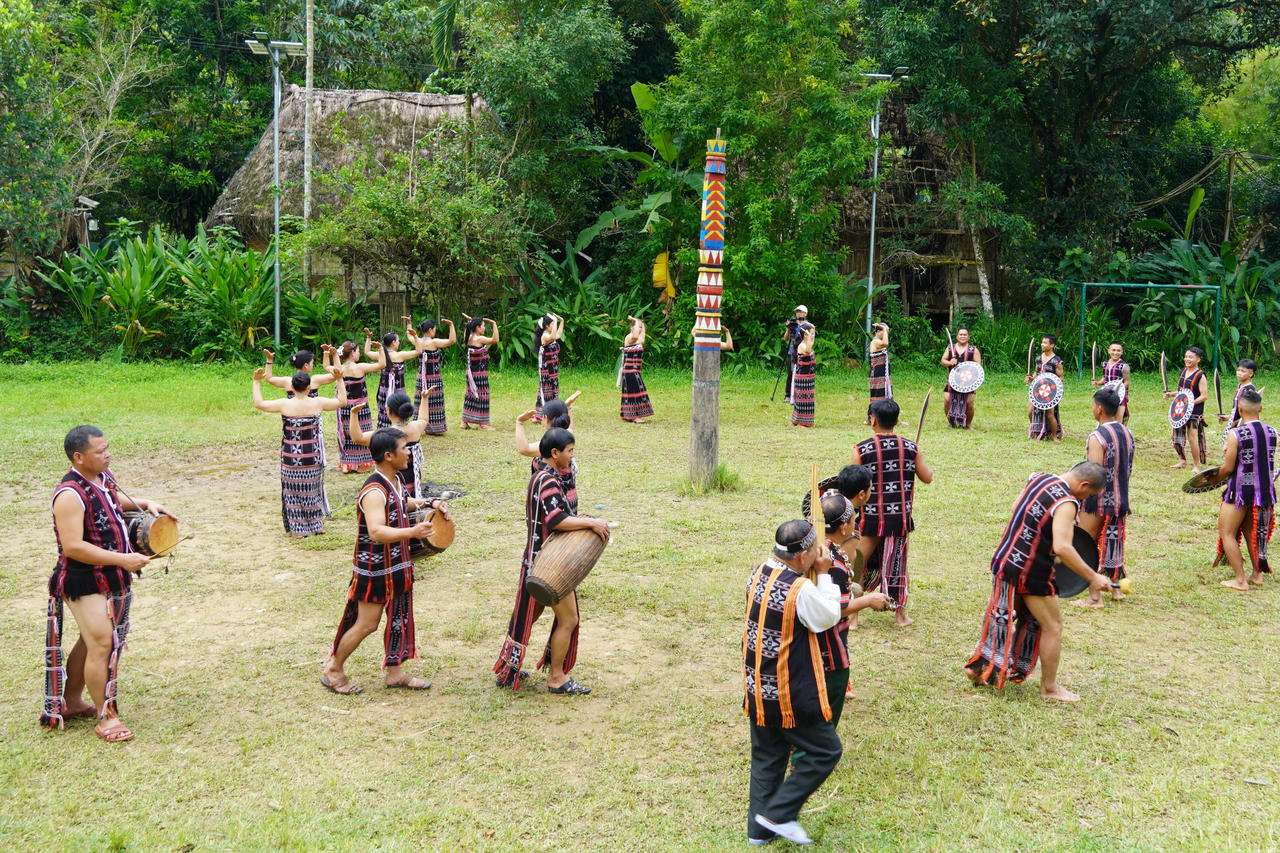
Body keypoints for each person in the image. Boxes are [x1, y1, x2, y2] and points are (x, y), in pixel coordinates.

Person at [42, 425, 176, 742]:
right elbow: (73, 546)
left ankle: (72, 702)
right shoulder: (68, 496)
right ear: (79, 457)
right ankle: (106, 718)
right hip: (82, 578)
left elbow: (110, 500)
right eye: (100, 451)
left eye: (107, 448)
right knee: (102, 643)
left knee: (93, 641)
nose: (107, 454)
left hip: (109, 573)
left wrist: (146, 503)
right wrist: (123, 560)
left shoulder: (102, 476)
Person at [964, 462, 1110, 702]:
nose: (1085, 499)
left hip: (1005, 560)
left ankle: (979, 668)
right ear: (1083, 485)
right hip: (1031, 571)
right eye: (1089, 494)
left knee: (1007, 614)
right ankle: (1049, 688)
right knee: (1053, 626)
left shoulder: (1039, 478)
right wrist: (1093, 576)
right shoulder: (1067, 503)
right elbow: (1062, 547)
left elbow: (1016, 509)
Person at [321, 428, 448, 694]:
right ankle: (333, 669)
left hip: (398, 563)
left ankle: (395, 672)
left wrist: (430, 502)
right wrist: (412, 532)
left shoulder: (396, 480)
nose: (409, 452)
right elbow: (377, 530)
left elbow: (403, 503)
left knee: (399, 618)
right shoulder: (374, 491)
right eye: (404, 448)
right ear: (389, 455)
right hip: (375, 568)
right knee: (367, 623)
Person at [744, 519, 842, 847]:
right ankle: (780, 814)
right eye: (815, 549)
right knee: (826, 750)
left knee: (768, 756)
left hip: (757, 686)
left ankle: (759, 834)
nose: (819, 553)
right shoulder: (799, 590)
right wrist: (825, 573)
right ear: (801, 557)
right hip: (787, 694)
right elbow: (828, 617)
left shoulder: (758, 572)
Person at [494, 427, 610, 693]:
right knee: (569, 619)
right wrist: (590, 523)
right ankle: (557, 677)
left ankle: (507, 670)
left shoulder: (541, 475)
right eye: (569, 451)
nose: (572, 456)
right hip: (549, 566)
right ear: (555, 453)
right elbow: (556, 520)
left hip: (534, 562)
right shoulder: (547, 480)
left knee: (525, 619)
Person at [850, 398, 934, 627]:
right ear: (897, 421)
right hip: (899, 520)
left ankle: (853, 617)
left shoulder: (861, 449)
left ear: (873, 420)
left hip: (872, 519)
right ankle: (900, 616)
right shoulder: (911, 448)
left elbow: (853, 485)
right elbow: (927, 477)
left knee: (858, 563)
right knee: (897, 565)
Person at [253, 366, 346, 536]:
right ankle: (315, 526)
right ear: (309, 388)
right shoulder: (317, 403)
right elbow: (341, 401)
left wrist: (256, 381)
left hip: (291, 457)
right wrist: (339, 379)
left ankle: (298, 529)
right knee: (312, 492)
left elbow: (259, 404)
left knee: (293, 493)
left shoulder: (284, 404)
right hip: (313, 456)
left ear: (292, 388)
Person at [819, 491, 891, 712]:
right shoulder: (834, 564)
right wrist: (869, 600)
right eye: (852, 520)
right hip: (829, 650)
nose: (855, 523)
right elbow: (837, 610)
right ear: (843, 528)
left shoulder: (821, 549)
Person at [1073, 388, 1135, 608]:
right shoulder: (1127, 433)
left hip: (1097, 501)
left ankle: (1095, 598)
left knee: (1087, 545)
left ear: (1098, 409)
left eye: (1093, 406)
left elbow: (1093, 474)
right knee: (1113, 543)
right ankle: (1117, 591)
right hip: (1120, 498)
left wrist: (1079, 502)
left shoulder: (1097, 436)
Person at [1213, 389, 1276, 590]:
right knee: (1251, 532)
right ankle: (1257, 575)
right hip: (1264, 492)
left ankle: (1240, 580)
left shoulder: (1236, 433)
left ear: (1239, 409)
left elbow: (1229, 468)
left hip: (1239, 492)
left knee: (1227, 532)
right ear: (1261, 409)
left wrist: (1213, 477)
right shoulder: (1273, 431)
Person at [347, 390, 433, 501]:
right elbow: (423, 419)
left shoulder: (385, 436)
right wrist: (424, 398)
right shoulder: (415, 428)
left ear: (388, 411)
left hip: (393, 481)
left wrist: (354, 414)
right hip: (414, 479)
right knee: (412, 507)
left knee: (397, 506)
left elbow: (357, 438)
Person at [333, 336, 382, 474]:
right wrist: (380, 350)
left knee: (347, 434)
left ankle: (346, 464)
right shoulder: (360, 367)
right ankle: (361, 465)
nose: (359, 354)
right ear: (353, 353)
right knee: (362, 433)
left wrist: (331, 355)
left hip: (344, 407)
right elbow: (381, 364)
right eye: (358, 351)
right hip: (360, 407)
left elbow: (326, 366)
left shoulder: (340, 369)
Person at [409, 317, 456, 436]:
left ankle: (419, 425)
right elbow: (452, 341)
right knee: (434, 401)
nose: (435, 331)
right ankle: (435, 427)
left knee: (421, 401)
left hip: (421, 377)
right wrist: (451, 325)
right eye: (434, 329)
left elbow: (409, 335)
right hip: (433, 377)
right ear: (430, 330)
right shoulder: (433, 342)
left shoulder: (418, 341)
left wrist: (409, 323)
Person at [372, 322, 421, 430]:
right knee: (399, 408)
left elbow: (366, 352)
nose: (399, 342)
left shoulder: (380, 355)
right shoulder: (400, 355)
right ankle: (400, 428)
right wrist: (416, 337)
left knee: (384, 408)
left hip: (384, 390)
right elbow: (419, 351)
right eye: (398, 340)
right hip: (399, 390)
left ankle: (383, 429)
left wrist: (368, 338)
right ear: (393, 343)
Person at [1165, 346, 1209, 468]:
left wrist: (1189, 404)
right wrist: (1171, 394)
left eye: (1191, 357)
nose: (1187, 359)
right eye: (1186, 356)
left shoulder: (1201, 375)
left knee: (1192, 437)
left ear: (1198, 359)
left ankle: (1196, 465)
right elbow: (1183, 391)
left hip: (1194, 411)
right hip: (1180, 410)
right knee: (1175, 436)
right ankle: (1182, 461)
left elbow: (1204, 396)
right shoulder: (1183, 371)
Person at [462, 315, 499, 430]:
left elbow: (467, 330)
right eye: (483, 326)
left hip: (470, 373)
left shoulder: (468, 337)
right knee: (483, 396)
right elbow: (495, 340)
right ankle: (483, 424)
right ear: (477, 328)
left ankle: (464, 422)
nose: (484, 328)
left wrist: (470, 322)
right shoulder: (479, 339)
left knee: (470, 395)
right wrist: (494, 324)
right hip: (479, 374)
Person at [515, 394, 580, 458]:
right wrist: (568, 407)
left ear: (546, 419)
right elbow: (570, 427)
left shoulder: (550, 442)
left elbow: (525, 450)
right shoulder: (568, 434)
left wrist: (519, 421)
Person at [941, 328, 981, 428]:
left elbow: (978, 366)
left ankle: (968, 424)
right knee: (947, 401)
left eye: (965, 334)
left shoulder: (973, 350)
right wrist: (950, 362)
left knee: (969, 403)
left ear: (968, 337)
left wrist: (968, 368)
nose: (962, 336)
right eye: (961, 334)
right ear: (957, 337)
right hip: (953, 380)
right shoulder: (950, 348)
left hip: (969, 381)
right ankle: (951, 423)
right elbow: (943, 361)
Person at [1026, 334, 1064, 441]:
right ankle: (1036, 429)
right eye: (1042, 342)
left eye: (1045, 343)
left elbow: (1061, 377)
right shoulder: (1038, 358)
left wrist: (1051, 384)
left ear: (1052, 345)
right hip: (1038, 389)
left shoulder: (1056, 361)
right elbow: (1036, 372)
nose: (1042, 344)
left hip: (1050, 391)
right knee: (1030, 411)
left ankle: (1053, 436)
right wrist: (1031, 378)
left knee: (1050, 413)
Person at [619, 316, 653, 423]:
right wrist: (635, 323)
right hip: (629, 370)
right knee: (633, 392)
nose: (640, 329)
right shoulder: (630, 338)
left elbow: (641, 335)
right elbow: (635, 335)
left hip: (635, 370)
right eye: (638, 328)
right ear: (632, 328)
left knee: (638, 391)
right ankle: (634, 416)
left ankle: (631, 415)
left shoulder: (639, 339)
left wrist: (638, 321)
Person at [263, 347, 338, 393]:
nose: (312, 365)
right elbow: (337, 375)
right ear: (306, 365)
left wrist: (269, 359)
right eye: (312, 363)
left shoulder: (288, 381)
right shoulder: (315, 380)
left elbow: (269, 378)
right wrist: (327, 354)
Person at [534, 312, 564, 421]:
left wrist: (561, 321)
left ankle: (539, 414)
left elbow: (558, 335)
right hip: (546, 369)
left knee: (551, 389)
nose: (554, 327)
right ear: (547, 326)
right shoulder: (545, 336)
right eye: (552, 325)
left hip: (553, 369)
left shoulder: (551, 336)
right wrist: (555, 321)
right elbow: (553, 336)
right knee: (547, 390)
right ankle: (547, 415)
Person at [1093, 341, 1131, 424]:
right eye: (1113, 350)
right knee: (1104, 417)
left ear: (1122, 352)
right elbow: (1105, 378)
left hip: (1119, 396)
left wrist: (1116, 390)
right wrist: (1098, 383)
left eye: (1118, 351)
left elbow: (1127, 382)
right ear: (1109, 351)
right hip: (1106, 395)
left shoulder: (1124, 366)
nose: (1115, 352)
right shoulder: (1105, 364)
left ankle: (1119, 434)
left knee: (1118, 420)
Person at [1220, 358, 1257, 430]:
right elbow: (1237, 410)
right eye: (1238, 370)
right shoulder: (1240, 387)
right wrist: (1229, 417)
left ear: (1251, 373)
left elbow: (1248, 414)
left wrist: (1234, 423)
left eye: (1243, 371)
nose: (1239, 373)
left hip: (1244, 427)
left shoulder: (1249, 390)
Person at [865, 322, 891, 425]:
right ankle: (871, 417)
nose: (886, 334)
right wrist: (884, 329)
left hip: (884, 374)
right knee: (876, 395)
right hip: (877, 374)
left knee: (885, 394)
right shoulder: (875, 342)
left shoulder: (879, 341)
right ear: (878, 332)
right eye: (884, 332)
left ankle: (887, 417)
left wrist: (884, 329)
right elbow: (886, 343)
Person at [790, 323, 816, 427]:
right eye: (811, 334)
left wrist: (812, 329)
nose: (813, 336)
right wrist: (809, 335)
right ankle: (801, 421)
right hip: (803, 377)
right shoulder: (802, 345)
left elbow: (811, 344)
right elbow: (808, 351)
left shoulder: (807, 343)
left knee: (808, 399)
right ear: (805, 335)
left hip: (809, 377)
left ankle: (805, 421)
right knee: (802, 400)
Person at [782, 305, 808, 403]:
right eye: (797, 311)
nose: (798, 313)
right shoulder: (793, 324)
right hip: (791, 352)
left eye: (800, 311)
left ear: (805, 314)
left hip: (802, 353)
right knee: (790, 373)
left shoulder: (808, 326)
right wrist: (789, 328)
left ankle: (800, 395)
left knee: (802, 374)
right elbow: (785, 338)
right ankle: (788, 395)